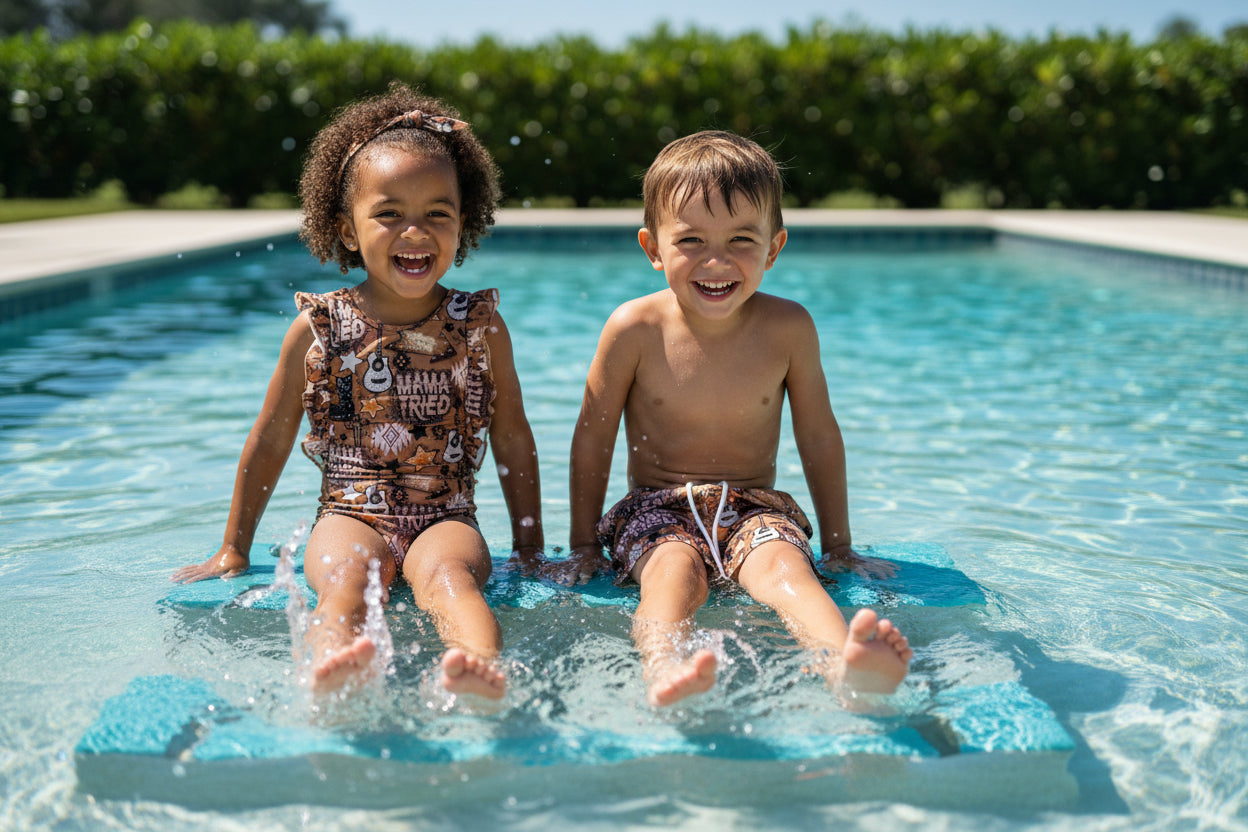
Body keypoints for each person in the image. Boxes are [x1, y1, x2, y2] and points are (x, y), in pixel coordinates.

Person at [172, 83, 543, 702]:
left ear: (464, 223)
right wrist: (231, 549)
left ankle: (478, 667)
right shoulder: (319, 327)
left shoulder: (478, 325)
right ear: (346, 230)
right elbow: (271, 436)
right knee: (347, 577)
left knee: (450, 578)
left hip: (446, 516)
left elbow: (511, 435)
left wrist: (529, 549)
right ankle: (334, 663)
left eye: (437, 214)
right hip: (348, 513)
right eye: (389, 213)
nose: (414, 231)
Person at [555, 130, 912, 707]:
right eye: (691, 239)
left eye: (741, 239)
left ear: (774, 248)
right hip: (657, 508)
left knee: (786, 570)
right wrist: (582, 545)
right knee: (672, 575)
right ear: (653, 247)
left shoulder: (788, 328)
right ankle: (664, 668)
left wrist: (840, 545)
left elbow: (818, 434)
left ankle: (844, 663)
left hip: (754, 506)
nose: (716, 261)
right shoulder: (633, 328)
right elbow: (592, 437)